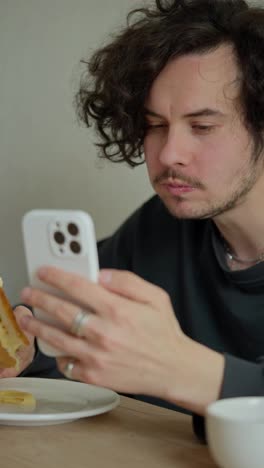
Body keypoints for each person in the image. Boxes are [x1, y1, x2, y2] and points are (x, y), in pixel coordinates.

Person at [5, 0, 264, 442]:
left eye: (201, 127)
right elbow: (76, 352)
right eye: (155, 125)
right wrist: (27, 347)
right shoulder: (161, 226)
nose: (167, 155)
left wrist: (180, 369)